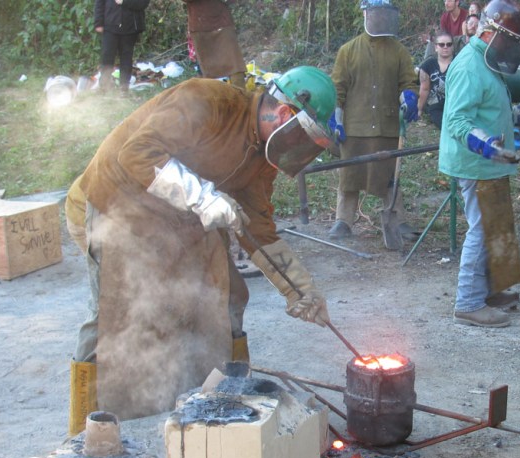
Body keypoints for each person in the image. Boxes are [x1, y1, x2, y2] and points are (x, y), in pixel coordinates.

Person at [68, 66, 336, 435]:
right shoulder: (208, 100)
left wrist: (300, 289)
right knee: (115, 315)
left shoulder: (261, 157)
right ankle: (86, 429)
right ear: (284, 114)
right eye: (302, 136)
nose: (299, 147)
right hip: (121, 205)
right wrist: (204, 198)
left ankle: (223, 399)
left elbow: (258, 228)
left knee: (226, 297)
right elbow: (138, 152)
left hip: (181, 219)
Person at [439, 0, 520, 328]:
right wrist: (486, 145)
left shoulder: (486, 61)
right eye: (510, 40)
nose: (512, 47)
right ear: (492, 32)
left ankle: (488, 292)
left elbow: (488, 107)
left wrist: (517, 115)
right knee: (482, 228)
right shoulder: (470, 66)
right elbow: (457, 121)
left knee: (496, 226)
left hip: (490, 162)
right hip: (475, 163)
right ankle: (468, 303)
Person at [327, 0, 420, 242]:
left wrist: (409, 97)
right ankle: (343, 220)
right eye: (376, 13)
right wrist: (336, 118)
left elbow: (408, 82)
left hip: (386, 126)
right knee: (349, 175)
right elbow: (338, 88)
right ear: (366, 14)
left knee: (389, 175)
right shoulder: (348, 50)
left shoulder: (399, 51)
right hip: (355, 126)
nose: (381, 18)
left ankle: (397, 219)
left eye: (384, 14)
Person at [183, 0, 247, 89]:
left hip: (221, 22)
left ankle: (240, 95)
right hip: (201, 26)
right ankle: (220, 96)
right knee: (209, 71)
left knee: (235, 66)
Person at [94, 0, 150, 93]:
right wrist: (98, 22)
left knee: (126, 58)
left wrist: (124, 2)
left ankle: (123, 88)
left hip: (130, 27)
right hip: (109, 25)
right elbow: (100, 2)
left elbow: (143, 3)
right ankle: (104, 87)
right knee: (107, 56)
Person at [418, 31, 455, 129]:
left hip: (455, 104)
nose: (445, 47)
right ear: (436, 47)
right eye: (442, 44)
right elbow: (424, 89)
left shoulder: (460, 64)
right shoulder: (428, 65)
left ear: (452, 47)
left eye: (449, 44)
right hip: (435, 105)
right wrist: (419, 109)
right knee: (444, 125)